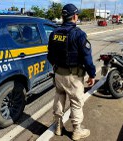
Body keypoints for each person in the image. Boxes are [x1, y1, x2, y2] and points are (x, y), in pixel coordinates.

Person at [47, 3, 96, 141]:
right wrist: (92, 74)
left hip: (58, 74)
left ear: (63, 17)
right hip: (73, 76)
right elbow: (87, 58)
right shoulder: (79, 34)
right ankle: (76, 131)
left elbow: (50, 55)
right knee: (75, 102)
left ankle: (58, 127)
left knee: (59, 97)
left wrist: (57, 67)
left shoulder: (54, 33)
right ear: (75, 16)